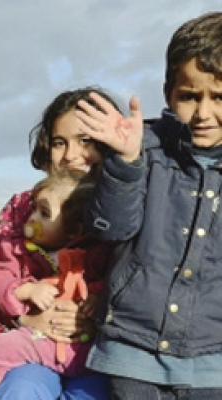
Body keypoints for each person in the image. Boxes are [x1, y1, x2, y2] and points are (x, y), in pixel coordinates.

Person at [77, 11, 222, 399]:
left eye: (219, 98)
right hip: (133, 352)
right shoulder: (145, 150)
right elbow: (110, 228)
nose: (204, 113)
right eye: (189, 96)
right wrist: (125, 164)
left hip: (214, 360)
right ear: (168, 93)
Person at [0, 87, 121, 399]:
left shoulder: (121, 211)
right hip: (30, 346)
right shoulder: (24, 209)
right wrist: (25, 315)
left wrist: (95, 309)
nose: (71, 155)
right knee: (23, 388)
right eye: (59, 142)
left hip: (95, 353)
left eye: (85, 141)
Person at [0, 170, 111, 399]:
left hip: (82, 346)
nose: (32, 218)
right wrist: (24, 290)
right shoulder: (19, 251)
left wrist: (96, 298)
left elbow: (108, 279)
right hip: (38, 340)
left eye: (44, 213)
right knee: (4, 346)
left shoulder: (93, 255)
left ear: (74, 230)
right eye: (34, 209)